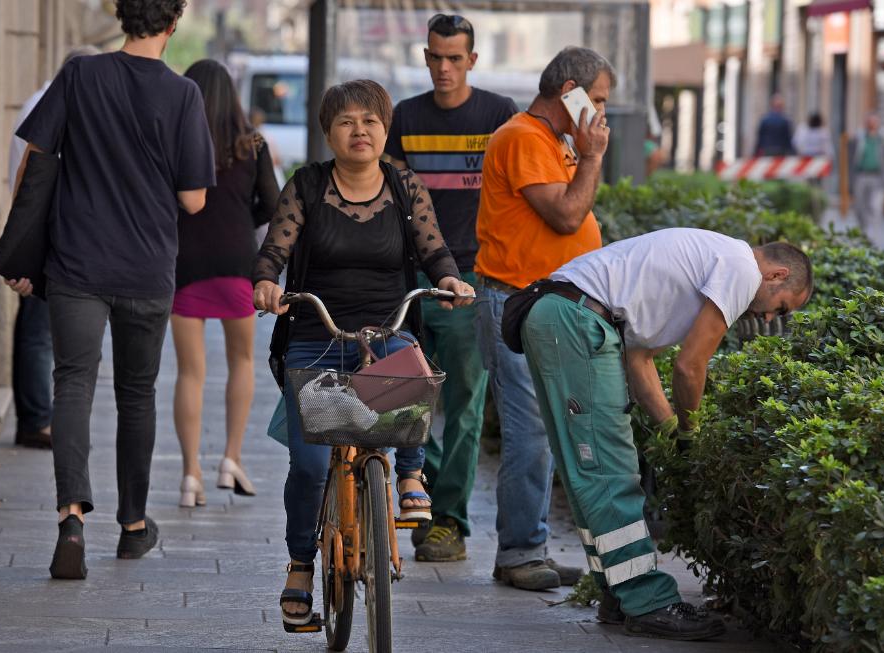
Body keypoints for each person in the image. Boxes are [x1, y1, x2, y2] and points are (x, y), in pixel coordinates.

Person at [516, 228, 812, 640]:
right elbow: (690, 367)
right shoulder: (742, 268)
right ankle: (649, 602)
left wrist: (671, 428)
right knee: (611, 470)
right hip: (578, 321)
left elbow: (640, 361)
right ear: (777, 275)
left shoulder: (707, 261)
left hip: (560, 314)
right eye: (779, 309)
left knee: (588, 469)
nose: (767, 320)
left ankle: (618, 591)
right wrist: (692, 431)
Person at [252, 79, 475, 627]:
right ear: (328, 133)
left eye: (370, 121)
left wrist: (450, 280)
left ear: (385, 129)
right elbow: (274, 249)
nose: (360, 131)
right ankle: (301, 565)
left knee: (413, 363)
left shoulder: (404, 185)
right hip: (316, 336)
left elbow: (433, 249)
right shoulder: (306, 185)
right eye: (347, 122)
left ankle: (410, 476)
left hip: (386, 330)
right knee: (309, 467)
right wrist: (265, 283)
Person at [5, 0, 215, 579]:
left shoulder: (80, 73)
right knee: (137, 394)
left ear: (122, 17)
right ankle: (132, 526)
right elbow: (194, 198)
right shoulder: (183, 95)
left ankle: (71, 519)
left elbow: (35, 160)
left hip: (76, 263)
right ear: (173, 24)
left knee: (72, 382)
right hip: (147, 268)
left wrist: (23, 244)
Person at [474, 46, 613, 591]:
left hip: (548, 303)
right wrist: (593, 157)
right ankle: (519, 553)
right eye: (598, 99)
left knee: (550, 427)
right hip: (516, 300)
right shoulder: (522, 138)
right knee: (530, 429)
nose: (601, 113)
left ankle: (531, 544)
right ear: (569, 92)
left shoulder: (557, 140)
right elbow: (567, 215)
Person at [383, 13, 517, 562]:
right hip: (413, 278)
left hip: (473, 278)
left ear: (472, 60)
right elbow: (388, 195)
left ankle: (451, 522)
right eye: (436, 57)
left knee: (464, 405)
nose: (444, 67)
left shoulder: (499, 115)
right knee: (402, 397)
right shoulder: (405, 117)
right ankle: (430, 494)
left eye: (455, 58)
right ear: (425, 56)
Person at [171, 59, 279, 508]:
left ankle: (190, 475)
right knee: (242, 361)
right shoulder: (253, 144)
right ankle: (231, 459)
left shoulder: (176, 139)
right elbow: (272, 204)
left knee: (190, 373)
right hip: (237, 261)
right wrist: (239, 220)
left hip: (185, 263)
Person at [7, 45, 101, 449]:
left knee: (40, 328)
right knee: (38, 328)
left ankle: (37, 416)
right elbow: (29, 180)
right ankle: (35, 420)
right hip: (45, 233)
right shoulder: (48, 108)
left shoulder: (46, 103)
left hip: (49, 231)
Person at [849, 113, 884, 234]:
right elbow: (851, 158)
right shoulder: (859, 138)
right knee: (859, 206)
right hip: (861, 175)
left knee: (875, 206)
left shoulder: (883, 139)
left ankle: (872, 233)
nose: (872, 125)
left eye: (874, 122)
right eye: (869, 122)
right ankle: (863, 229)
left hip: (878, 177)